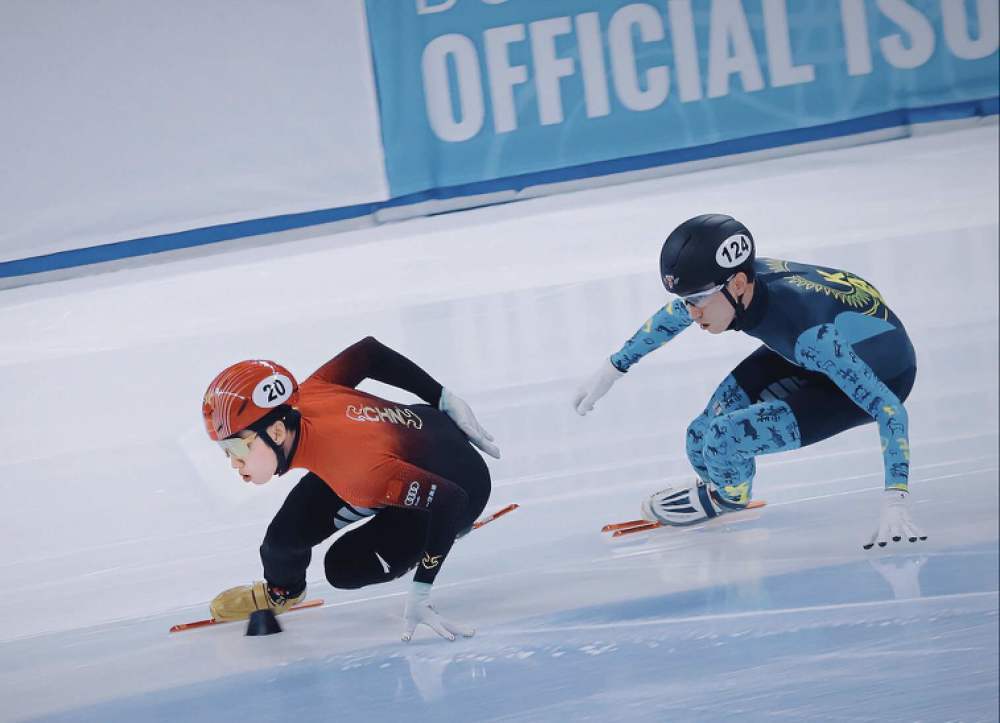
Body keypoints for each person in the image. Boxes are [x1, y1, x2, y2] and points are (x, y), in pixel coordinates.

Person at [573, 214, 925, 549]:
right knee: (700, 435)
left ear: (739, 285)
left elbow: (889, 409)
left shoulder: (811, 333)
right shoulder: (738, 286)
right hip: (810, 352)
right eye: (686, 299)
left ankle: (730, 497)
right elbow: (673, 316)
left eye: (697, 300)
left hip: (881, 375)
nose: (691, 313)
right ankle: (723, 486)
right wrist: (612, 369)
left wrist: (896, 498)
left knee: (725, 439)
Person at [202, 336, 500, 641]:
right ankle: (284, 591)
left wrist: (421, 590)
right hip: (404, 446)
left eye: (236, 448)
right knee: (281, 544)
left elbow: (450, 500)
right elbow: (368, 353)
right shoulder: (307, 395)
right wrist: (442, 397)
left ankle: (439, 534)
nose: (233, 462)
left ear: (277, 432)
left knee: (343, 568)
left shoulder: (358, 473)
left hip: (460, 486)